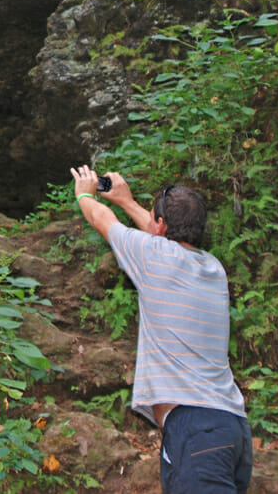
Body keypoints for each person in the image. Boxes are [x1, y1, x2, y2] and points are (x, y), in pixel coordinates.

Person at [70, 165, 252, 494]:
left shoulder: (153, 256)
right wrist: (127, 201)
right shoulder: (213, 268)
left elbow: (101, 219)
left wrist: (84, 191)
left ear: (162, 224)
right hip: (233, 429)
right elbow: (160, 235)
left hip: (197, 430)